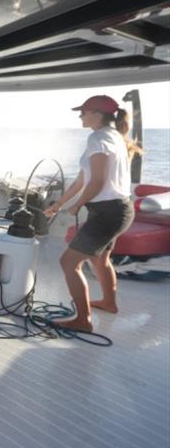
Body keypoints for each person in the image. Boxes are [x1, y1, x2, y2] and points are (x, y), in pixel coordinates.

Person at [43, 95, 135, 332]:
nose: (80, 116)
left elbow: (98, 181)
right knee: (100, 259)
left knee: (68, 262)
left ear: (96, 113)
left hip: (108, 213)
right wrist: (59, 204)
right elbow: (81, 181)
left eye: (83, 112)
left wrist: (78, 205)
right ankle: (108, 303)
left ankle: (83, 321)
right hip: (119, 209)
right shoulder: (114, 137)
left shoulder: (98, 138)